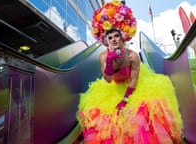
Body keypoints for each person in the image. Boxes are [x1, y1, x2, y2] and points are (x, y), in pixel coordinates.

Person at [77, 0, 184, 143]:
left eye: (116, 36)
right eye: (110, 37)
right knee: (103, 117)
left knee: (146, 111)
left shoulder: (133, 56)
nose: (114, 39)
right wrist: (109, 60)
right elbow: (108, 79)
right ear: (106, 41)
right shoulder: (103, 56)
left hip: (133, 87)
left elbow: (133, 80)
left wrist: (125, 99)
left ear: (123, 37)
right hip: (113, 88)